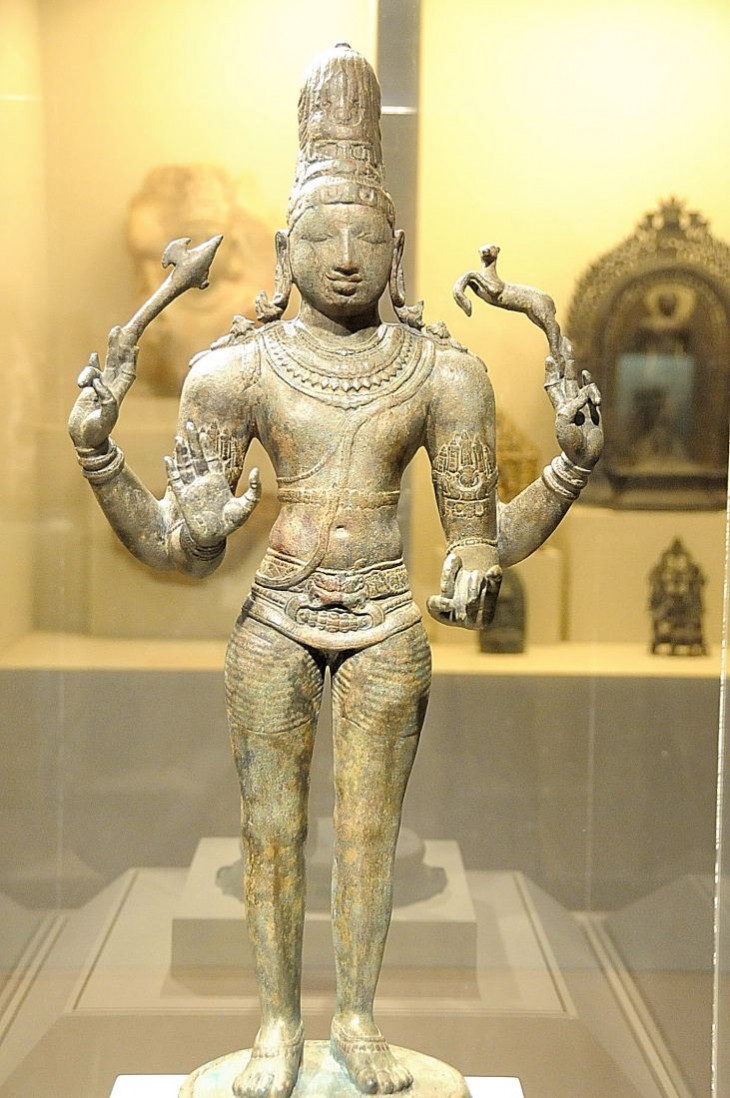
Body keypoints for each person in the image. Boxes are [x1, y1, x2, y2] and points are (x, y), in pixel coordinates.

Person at [68, 44, 602, 1098]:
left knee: (369, 836)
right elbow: (180, 549)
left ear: (398, 249)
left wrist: (569, 471)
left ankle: (355, 1020)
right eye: (322, 235)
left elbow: (483, 537)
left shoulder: (444, 375)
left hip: (388, 625)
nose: (347, 257)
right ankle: (276, 1026)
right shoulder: (234, 374)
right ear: (283, 248)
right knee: (270, 833)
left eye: (367, 237)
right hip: (274, 620)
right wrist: (100, 460)